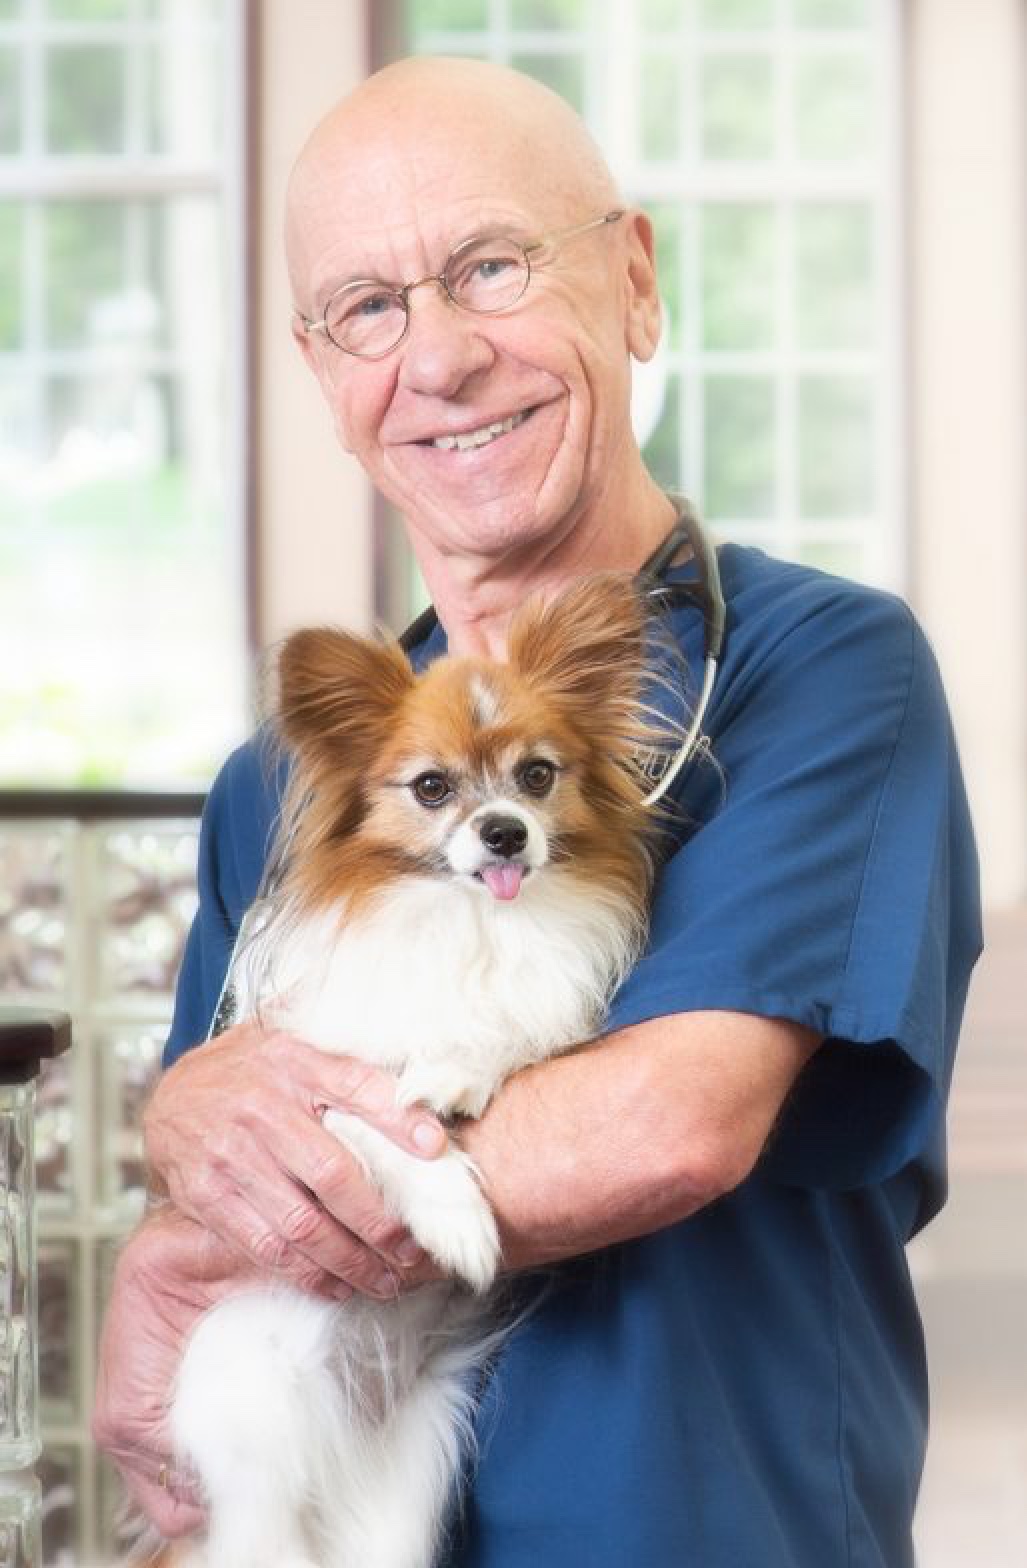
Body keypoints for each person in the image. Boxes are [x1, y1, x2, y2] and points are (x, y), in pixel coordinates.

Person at [93, 56, 979, 1567]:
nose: (436, 359)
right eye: (366, 308)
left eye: (490, 267)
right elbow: (221, 1153)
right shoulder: (287, 783)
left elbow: (666, 1125)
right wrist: (175, 1140)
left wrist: (248, 1224)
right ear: (325, 377)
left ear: (634, 285)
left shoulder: (824, 670)